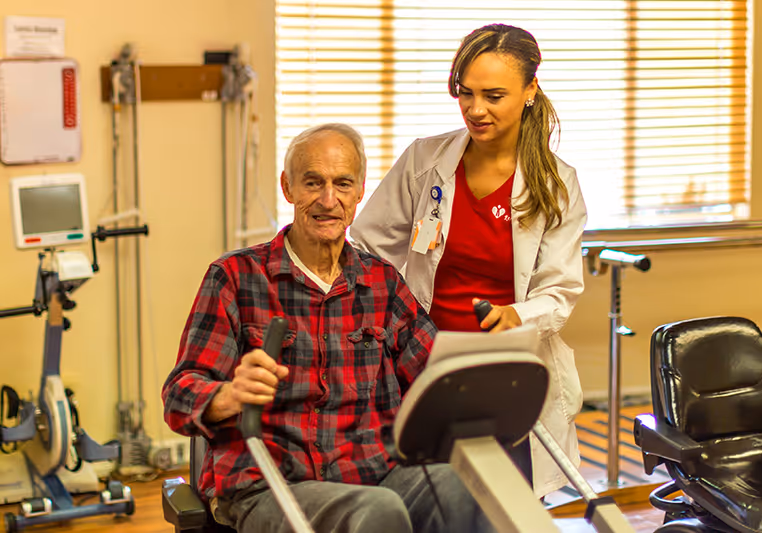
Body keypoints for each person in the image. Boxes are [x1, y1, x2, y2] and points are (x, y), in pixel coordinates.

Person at [162, 123, 494, 533]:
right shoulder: (235, 277)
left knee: (466, 487)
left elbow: (435, 375)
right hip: (271, 484)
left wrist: (483, 378)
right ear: (288, 187)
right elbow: (179, 395)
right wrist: (228, 395)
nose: (328, 199)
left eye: (342, 184)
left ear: (359, 193)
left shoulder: (383, 283)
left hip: (376, 471)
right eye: (312, 182)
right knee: (377, 513)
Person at [350, 23, 587, 498]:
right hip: (424, 362)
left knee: (506, 503)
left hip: (505, 368)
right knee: (431, 500)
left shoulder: (556, 185)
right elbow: (368, 245)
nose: (475, 110)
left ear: (530, 91)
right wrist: (388, 319)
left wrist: (515, 315)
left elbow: (558, 290)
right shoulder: (425, 161)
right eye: (466, 93)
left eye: (494, 95)